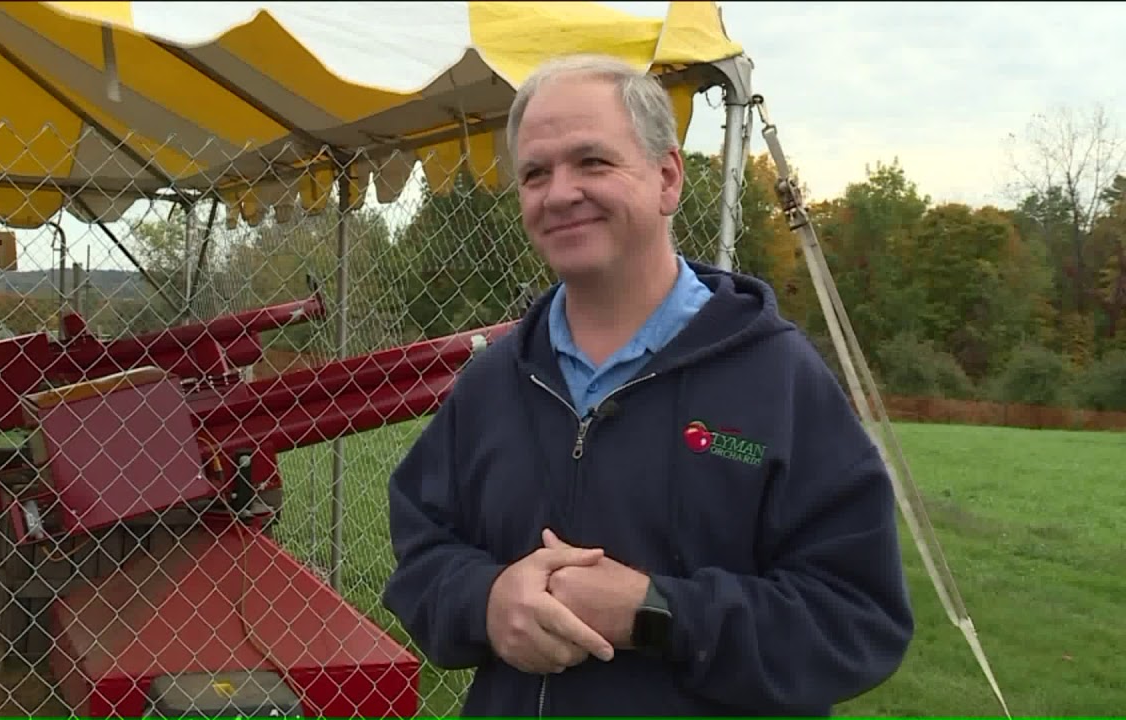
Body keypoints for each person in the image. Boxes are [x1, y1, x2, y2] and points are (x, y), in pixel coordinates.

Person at [381, 53, 914, 717]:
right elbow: (423, 553)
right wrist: (485, 602)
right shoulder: (492, 384)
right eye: (535, 173)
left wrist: (654, 613)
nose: (559, 192)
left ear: (667, 178)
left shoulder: (778, 381)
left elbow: (856, 616)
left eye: (593, 162)